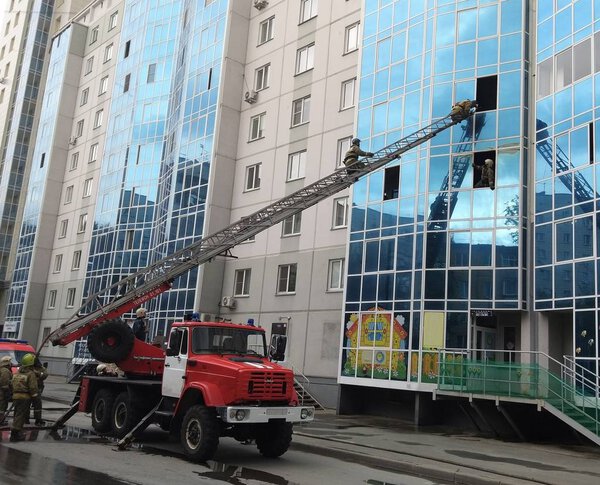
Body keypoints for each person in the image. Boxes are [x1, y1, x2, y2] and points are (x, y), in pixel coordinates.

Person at [10, 353, 38, 442]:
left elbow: (12, 384)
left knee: (16, 414)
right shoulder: (30, 374)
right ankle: (15, 435)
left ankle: (16, 433)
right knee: (20, 416)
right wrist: (35, 397)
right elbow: (33, 387)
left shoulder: (17, 373)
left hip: (16, 396)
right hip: (25, 397)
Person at [28, 357, 47, 426]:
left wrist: (37, 373)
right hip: (28, 388)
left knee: (38, 404)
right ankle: (25, 418)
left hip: (38, 388)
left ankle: (38, 419)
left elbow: (44, 375)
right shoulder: (28, 368)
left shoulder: (42, 368)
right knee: (27, 404)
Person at [0, 356, 13, 425]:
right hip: (2, 393)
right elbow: (4, 383)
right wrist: (7, 392)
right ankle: (1, 421)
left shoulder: (1, 369)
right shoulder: (5, 371)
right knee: (2, 407)